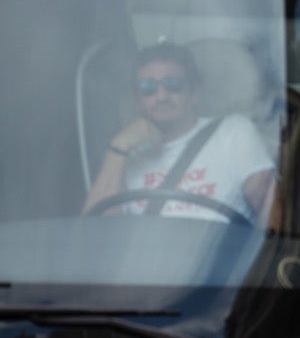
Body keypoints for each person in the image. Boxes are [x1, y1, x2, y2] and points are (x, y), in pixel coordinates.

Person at [84, 41, 275, 224]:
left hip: (216, 253)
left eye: (173, 84)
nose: (161, 96)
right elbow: (96, 231)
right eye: (148, 88)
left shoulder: (232, 132)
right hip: (144, 256)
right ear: (138, 101)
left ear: (194, 93)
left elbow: (271, 209)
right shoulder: (126, 156)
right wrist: (119, 146)